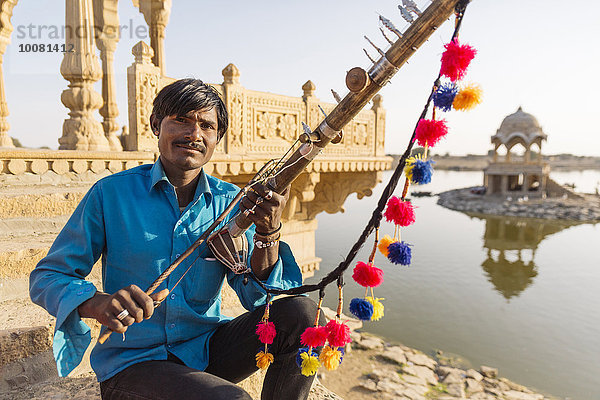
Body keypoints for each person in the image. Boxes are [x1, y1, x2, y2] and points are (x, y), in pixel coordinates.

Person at [30, 78, 322, 400]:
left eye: (206, 126)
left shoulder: (230, 202)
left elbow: (257, 296)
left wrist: (269, 231)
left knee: (304, 316)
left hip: (205, 351)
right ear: (157, 125)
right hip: (133, 363)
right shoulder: (111, 194)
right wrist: (99, 303)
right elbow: (48, 277)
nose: (194, 134)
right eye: (181, 120)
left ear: (217, 138)